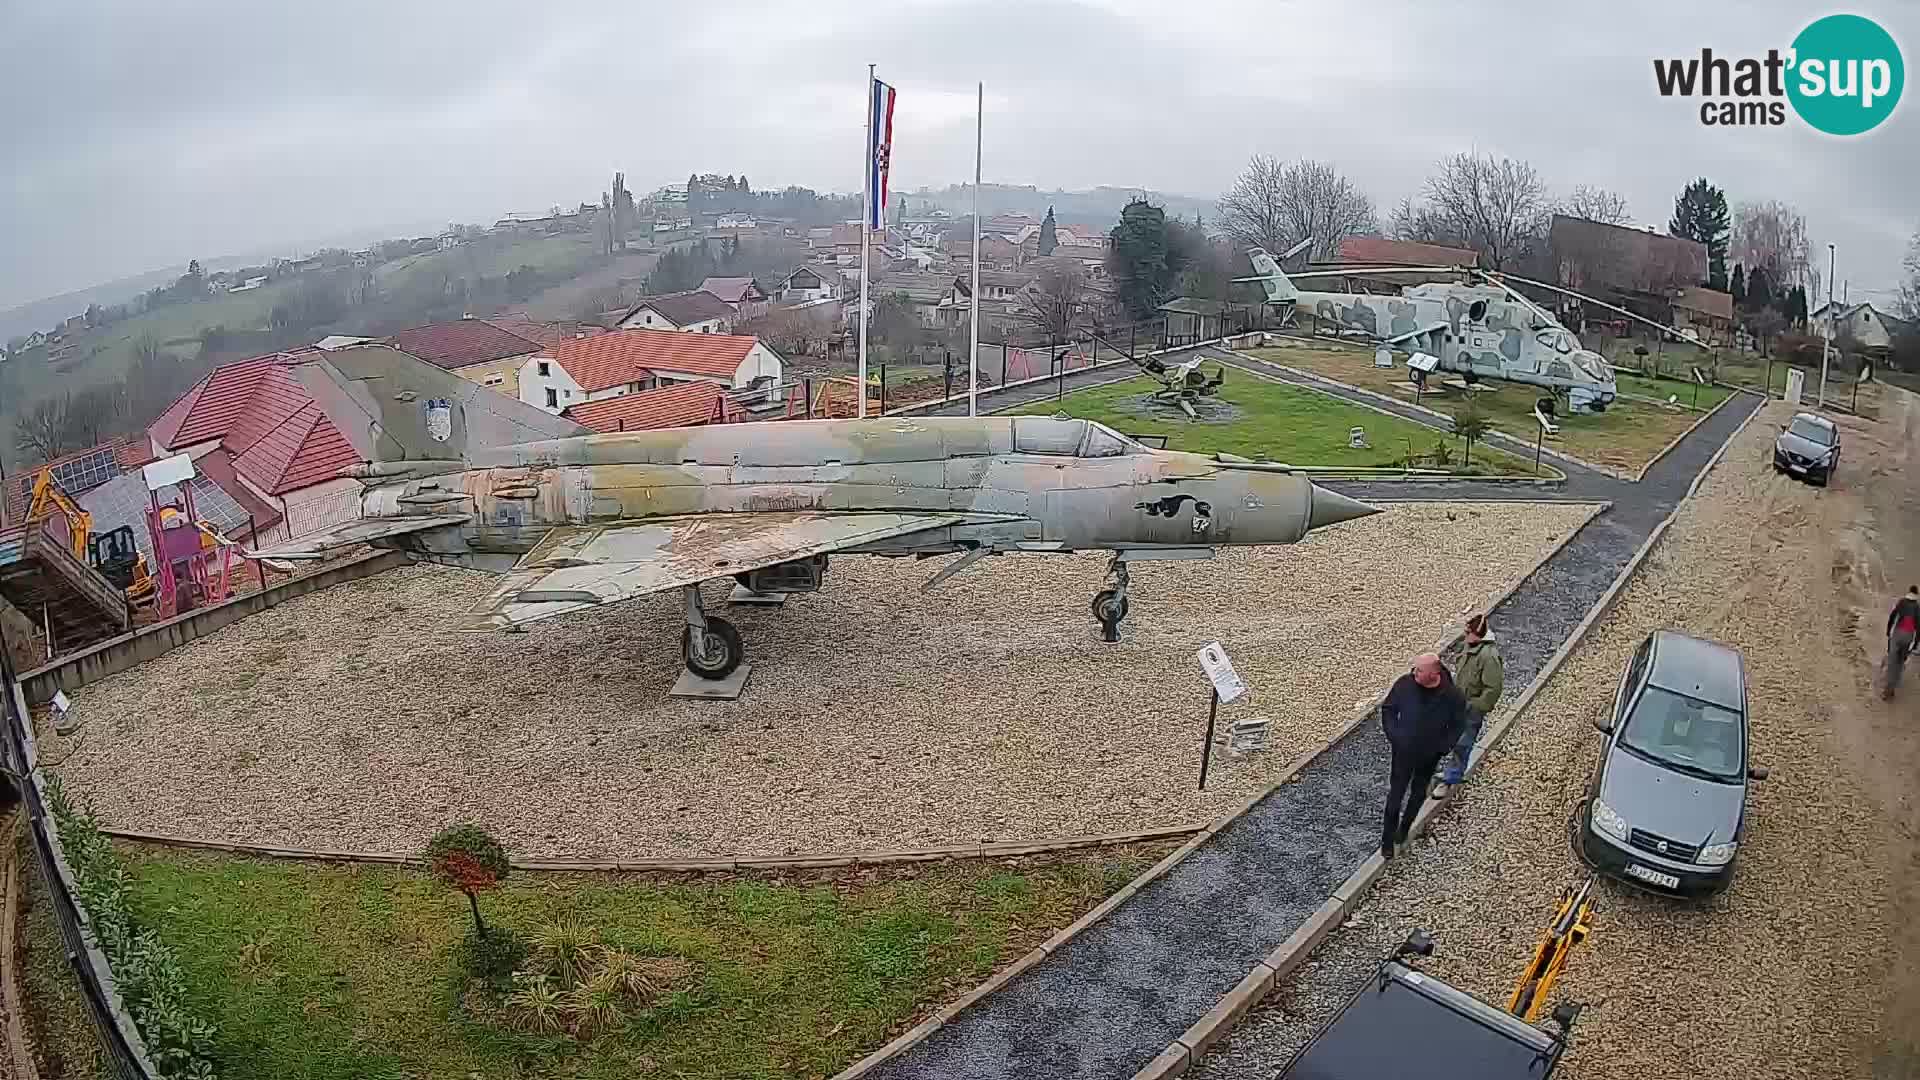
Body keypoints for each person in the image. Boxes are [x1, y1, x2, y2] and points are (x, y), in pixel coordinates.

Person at [1379, 652, 1468, 859]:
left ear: (1433, 674)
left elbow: (1458, 725)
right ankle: (1387, 839)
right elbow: (1388, 709)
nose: (1414, 673)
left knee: (1418, 794)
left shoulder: (1452, 696)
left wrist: (1443, 747)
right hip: (1403, 753)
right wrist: (1395, 736)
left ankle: (1404, 829)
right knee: (1395, 796)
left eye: (1419, 670)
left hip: (1429, 757)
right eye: (1414, 668)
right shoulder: (1405, 684)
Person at [1434, 614, 1504, 799]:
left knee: (1462, 744)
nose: (1464, 635)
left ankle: (1450, 779)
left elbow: (1493, 688)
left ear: (1477, 634)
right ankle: (1451, 771)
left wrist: (1475, 707)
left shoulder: (1489, 657)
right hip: (1458, 704)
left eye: (1468, 632)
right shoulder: (1470, 646)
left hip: (1471, 710)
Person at [1884, 586, 1919, 699]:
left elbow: (1893, 616)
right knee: (1900, 663)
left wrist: (1888, 631)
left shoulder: (1902, 602)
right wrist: (1915, 644)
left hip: (1898, 634)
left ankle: (1888, 690)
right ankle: (1893, 687)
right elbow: (1919, 628)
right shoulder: (1918, 608)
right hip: (1908, 637)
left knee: (1892, 660)